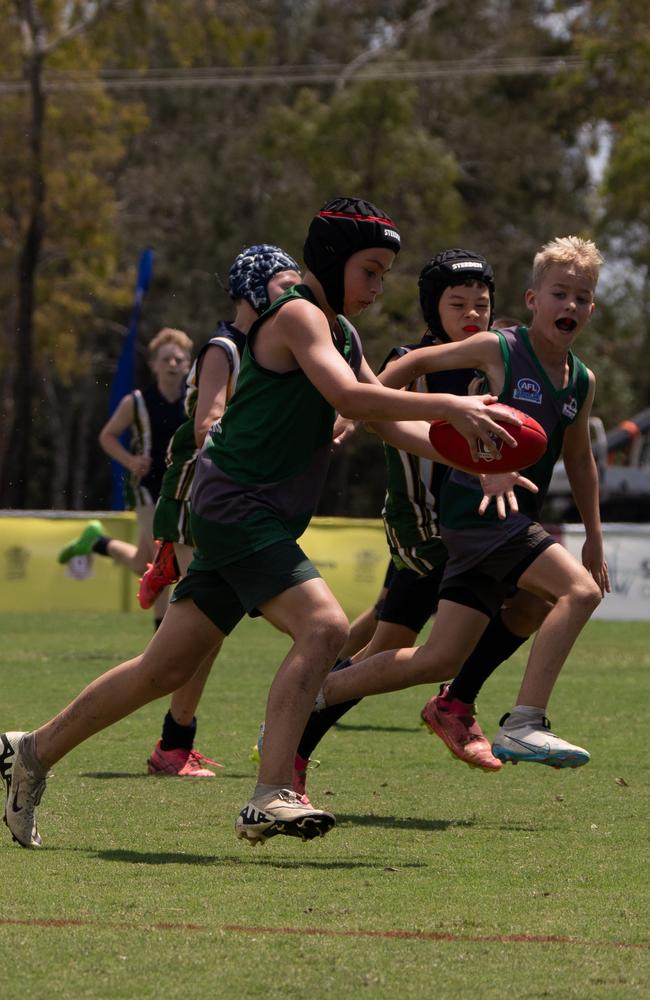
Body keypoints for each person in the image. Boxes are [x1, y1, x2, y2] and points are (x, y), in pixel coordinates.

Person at [1, 196, 523, 852]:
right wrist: (451, 402)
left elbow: (385, 422)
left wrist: (476, 453)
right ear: (331, 262)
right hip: (234, 505)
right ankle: (271, 791)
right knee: (326, 626)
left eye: (385, 273)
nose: (377, 286)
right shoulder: (300, 314)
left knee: (163, 669)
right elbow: (348, 397)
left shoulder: (342, 332)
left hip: (250, 513)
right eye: (370, 269)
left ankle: (32, 751)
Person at [305, 235, 610, 771]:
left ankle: (319, 691)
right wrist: (353, 411)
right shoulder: (501, 349)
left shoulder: (579, 380)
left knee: (439, 656)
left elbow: (580, 461)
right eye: (559, 293)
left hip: (506, 522)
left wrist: (594, 537)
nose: (571, 306)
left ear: (592, 308)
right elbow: (411, 362)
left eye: (582, 298)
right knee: (578, 594)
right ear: (533, 299)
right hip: (477, 514)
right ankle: (525, 722)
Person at [277, 249, 551, 801]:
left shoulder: (491, 361)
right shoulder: (416, 360)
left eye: (481, 304)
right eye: (458, 305)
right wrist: (349, 419)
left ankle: (304, 737)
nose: (471, 315)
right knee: (397, 647)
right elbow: (375, 399)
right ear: (434, 309)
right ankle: (301, 731)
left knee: (517, 605)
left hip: (472, 522)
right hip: (423, 524)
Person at [142, 245, 302, 777]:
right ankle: (173, 744)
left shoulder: (264, 347)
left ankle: (175, 740)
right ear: (254, 290)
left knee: (203, 634)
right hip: (197, 496)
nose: (296, 296)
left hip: (219, 499)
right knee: (196, 638)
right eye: (285, 286)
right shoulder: (225, 348)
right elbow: (208, 424)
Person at [57, 327, 194, 628]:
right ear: (154, 364)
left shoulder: (193, 400)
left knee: (140, 562)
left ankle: (97, 542)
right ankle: (161, 633)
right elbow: (107, 436)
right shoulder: (137, 401)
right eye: (166, 358)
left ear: (188, 365)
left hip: (182, 487)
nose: (173, 364)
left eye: (179, 359)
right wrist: (131, 461)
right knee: (163, 558)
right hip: (146, 488)